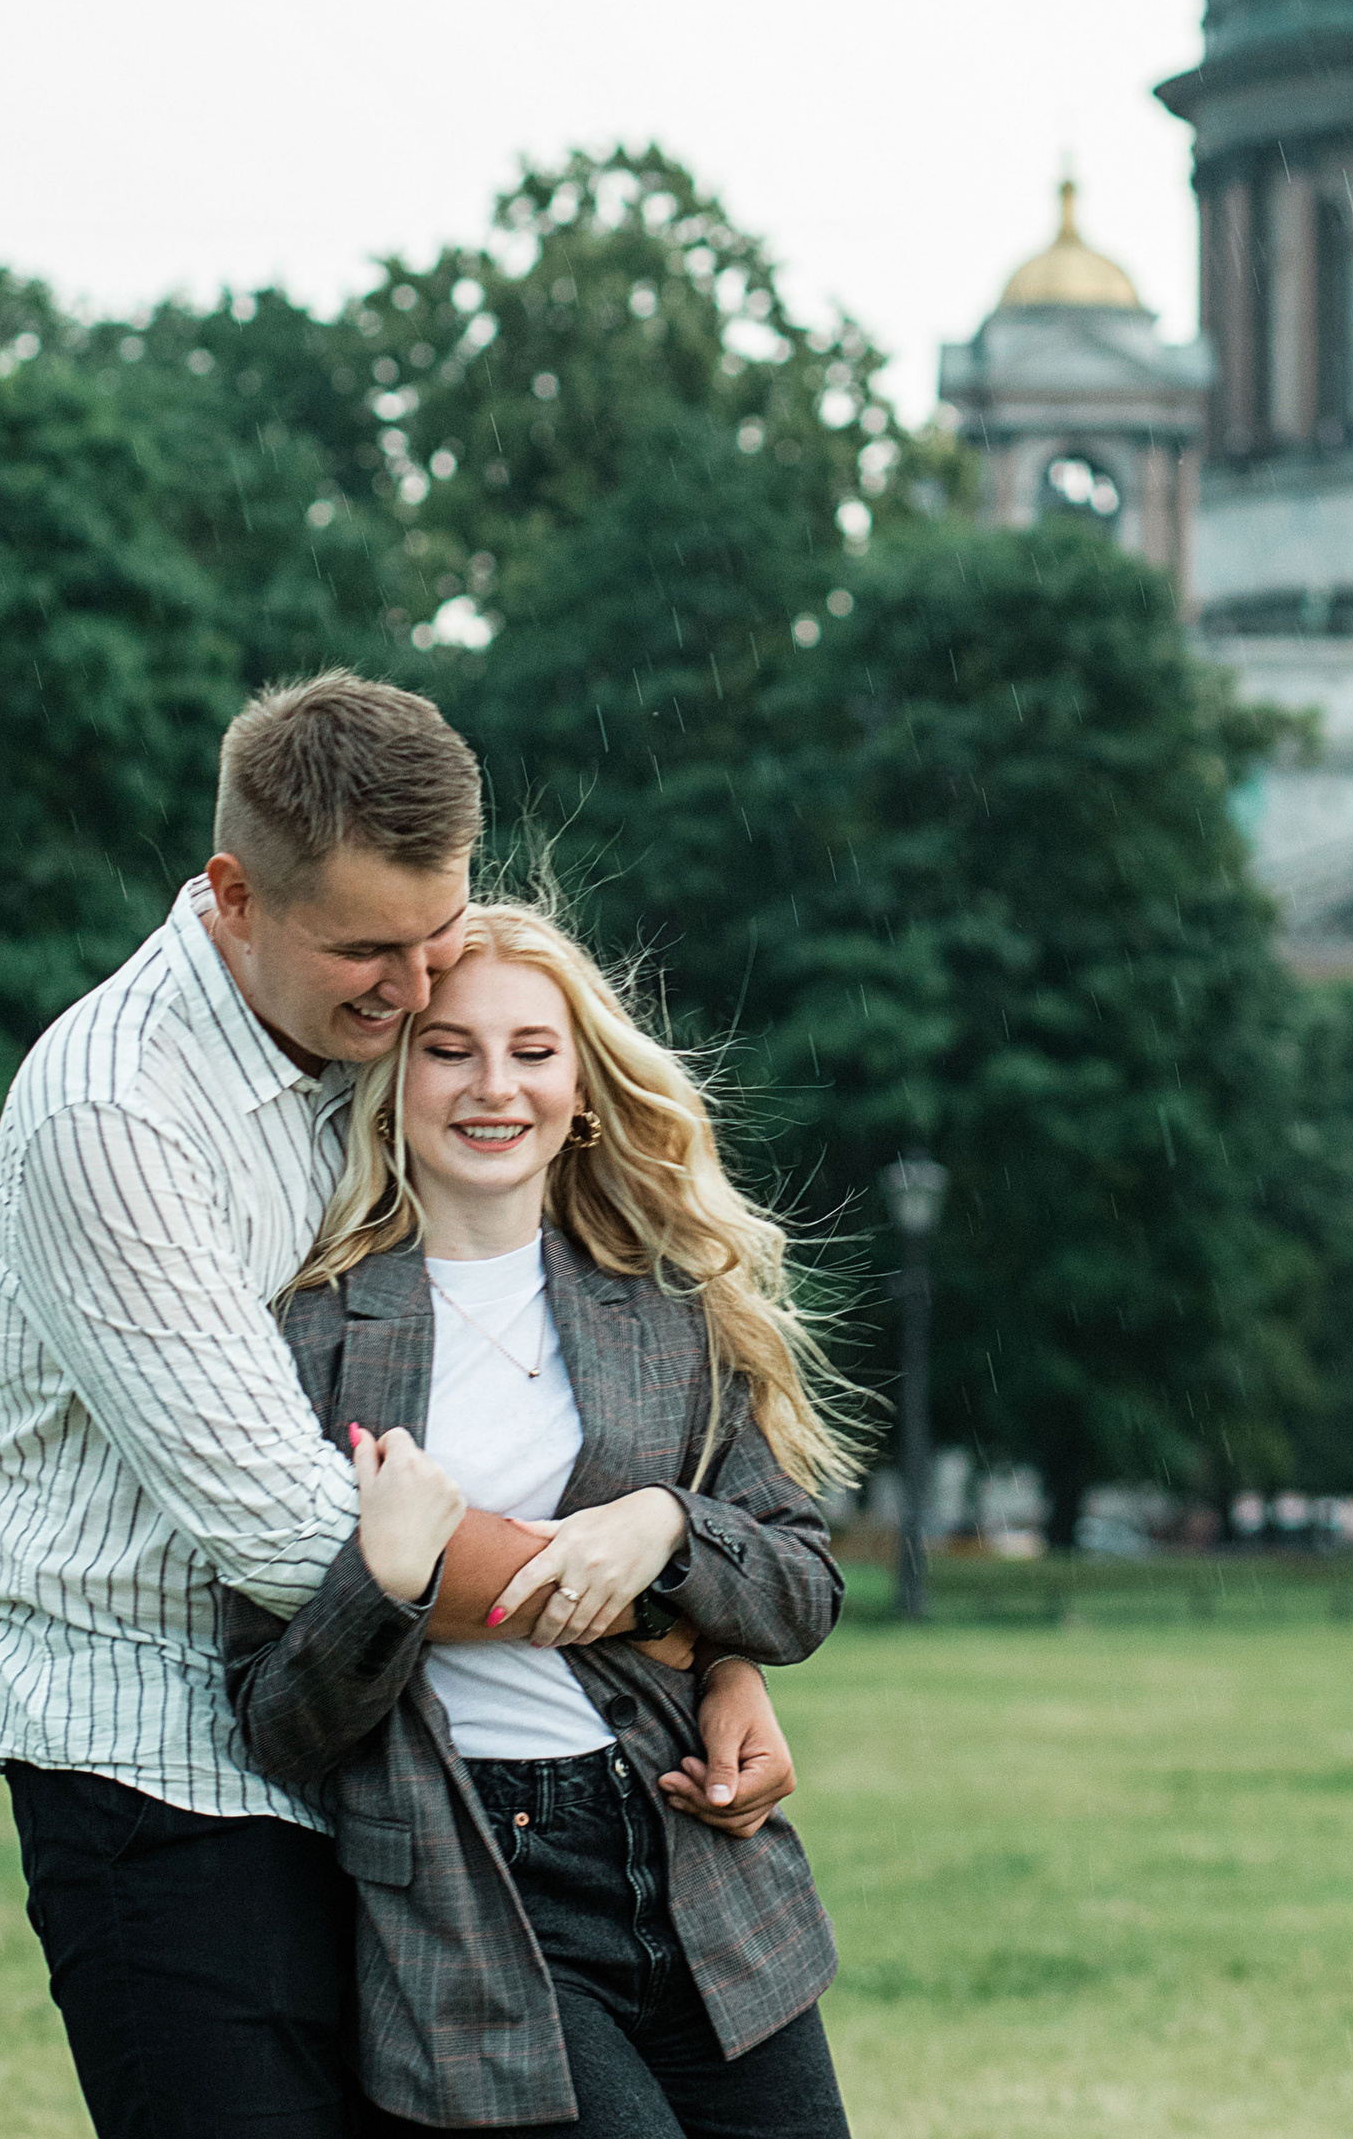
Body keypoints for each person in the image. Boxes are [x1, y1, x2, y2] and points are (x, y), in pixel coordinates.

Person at [0, 671, 794, 2139]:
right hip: (167, 1772)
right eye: (372, 952)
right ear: (234, 894)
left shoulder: (366, 1025)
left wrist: (723, 1656)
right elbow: (301, 1540)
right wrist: (675, 1603)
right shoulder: (118, 1114)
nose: (420, 992)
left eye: (438, 937)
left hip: (395, 1782)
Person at [223, 895, 862, 2136]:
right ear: (394, 1078)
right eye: (449, 1049)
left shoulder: (665, 1314)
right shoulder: (309, 1338)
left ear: (579, 1092)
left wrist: (668, 1532)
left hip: (691, 1855)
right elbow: (275, 1723)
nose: (491, 1087)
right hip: (475, 1890)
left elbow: (801, 1584)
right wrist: (392, 1588)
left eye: (532, 1051)